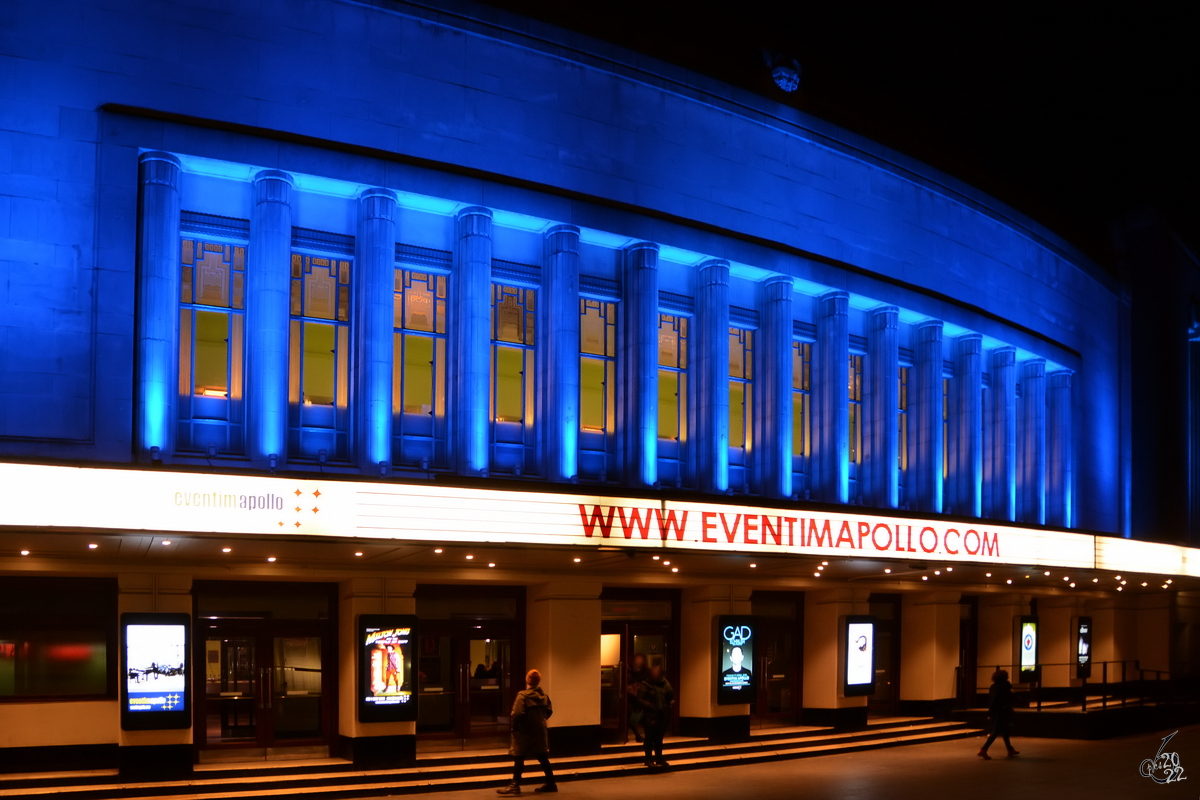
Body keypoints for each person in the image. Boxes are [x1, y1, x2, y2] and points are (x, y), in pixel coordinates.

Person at [498, 669, 557, 795]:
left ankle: (515, 785)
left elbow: (517, 713)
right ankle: (551, 783)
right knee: (542, 757)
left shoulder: (523, 696)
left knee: (519, 756)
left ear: (527, 680)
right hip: (540, 730)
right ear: (538, 681)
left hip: (525, 731)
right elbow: (549, 711)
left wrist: (516, 726)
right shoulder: (544, 696)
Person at [636, 665, 675, 769]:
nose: (655, 675)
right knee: (649, 738)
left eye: (657, 673)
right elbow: (639, 699)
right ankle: (648, 759)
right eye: (654, 673)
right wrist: (651, 706)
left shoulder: (665, 683)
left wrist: (670, 702)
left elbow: (671, 695)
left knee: (659, 738)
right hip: (650, 715)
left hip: (662, 715)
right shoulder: (646, 685)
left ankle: (659, 757)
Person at [977, 669, 1020, 759]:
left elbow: (992, 701)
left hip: (997, 711)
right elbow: (1007, 699)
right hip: (1004, 711)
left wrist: (990, 713)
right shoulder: (1005, 687)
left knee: (1004, 730)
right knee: (997, 731)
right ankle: (983, 749)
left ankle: (1010, 749)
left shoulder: (993, 687)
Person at [626, 653, 648, 742]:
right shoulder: (629, 671)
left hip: (639, 696)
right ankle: (637, 735)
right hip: (630, 696)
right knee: (630, 713)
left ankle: (643, 735)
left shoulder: (645, 671)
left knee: (639, 715)